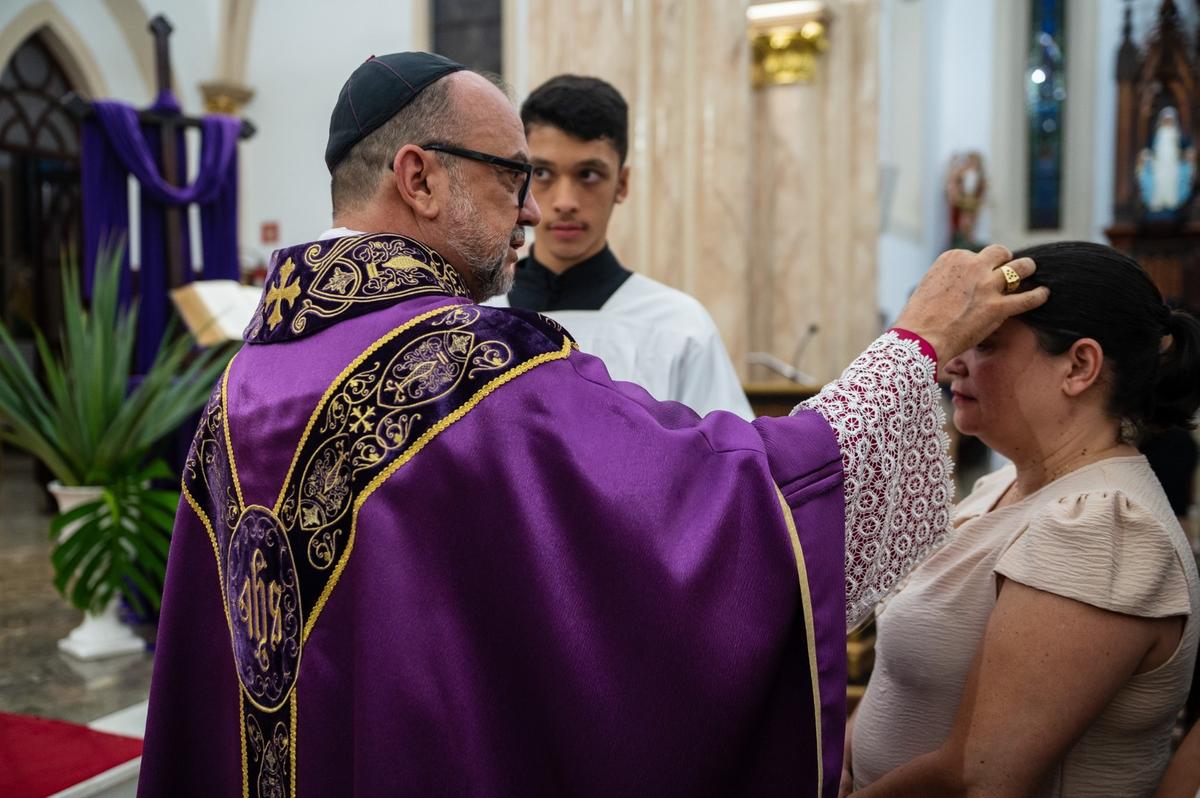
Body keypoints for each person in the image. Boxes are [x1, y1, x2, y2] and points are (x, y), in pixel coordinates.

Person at [137, 52, 1045, 797]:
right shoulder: (466, 369)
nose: (534, 209)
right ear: (418, 178)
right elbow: (730, 508)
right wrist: (914, 346)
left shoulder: (242, 385)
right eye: (512, 178)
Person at [845, 242, 1200, 798]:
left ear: (1080, 366)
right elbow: (900, 687)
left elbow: (980, 779)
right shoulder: (998, 487)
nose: (949, 362)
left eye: (984, 343)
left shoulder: (1104, 529)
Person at [491, 74, 754, 418]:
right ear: (521, 180)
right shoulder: (478, 313)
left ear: (622, 184)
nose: (565, 201)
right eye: (542, 173)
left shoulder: (680, 328)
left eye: (588, 174)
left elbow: (728, 461)